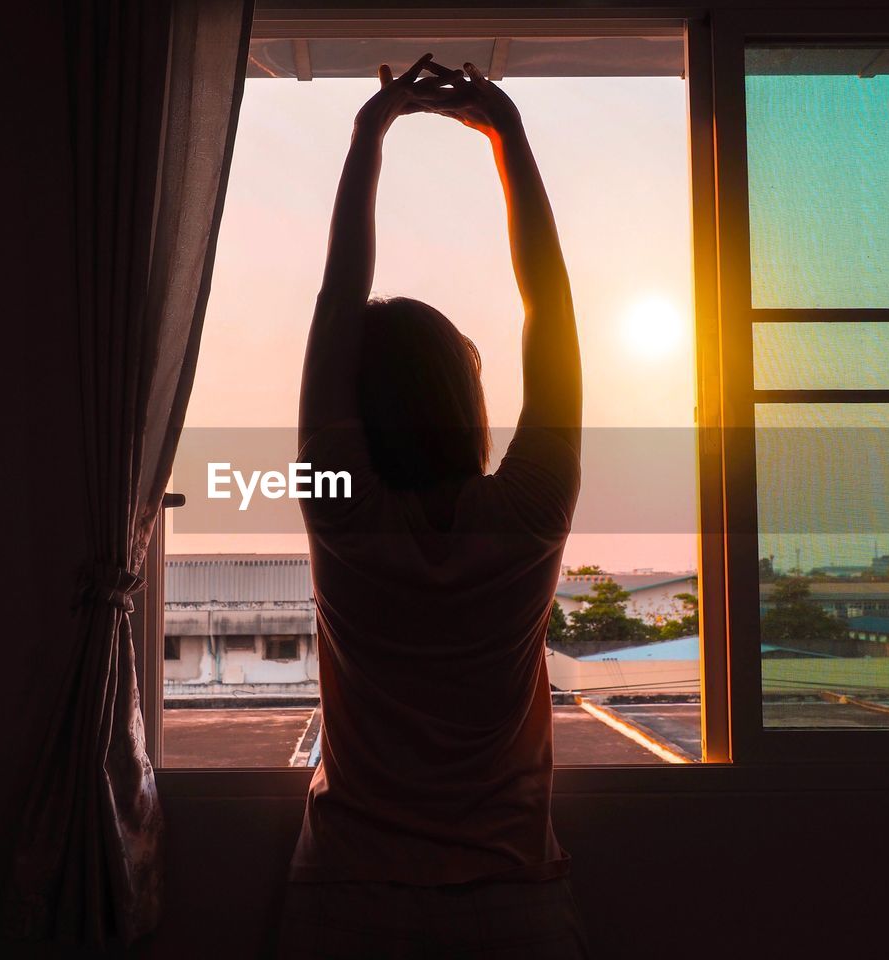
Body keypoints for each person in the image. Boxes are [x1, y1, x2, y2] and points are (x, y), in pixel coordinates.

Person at [278, 54, 588, 959]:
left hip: (348, 895)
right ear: (466, 401)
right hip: (511, 899)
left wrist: (370, 132)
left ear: (358, 412)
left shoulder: (342, 511)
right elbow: (553, 316)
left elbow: (338, 301)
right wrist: (508, 140)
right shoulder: (529, 513)